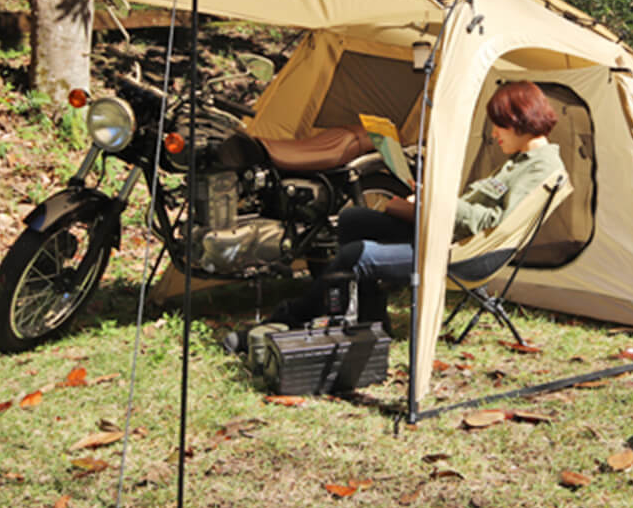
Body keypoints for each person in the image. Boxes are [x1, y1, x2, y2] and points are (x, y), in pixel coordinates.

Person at [224, 81, 566, 347]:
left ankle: (288, 318)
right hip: (450, 235)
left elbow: (482, 222)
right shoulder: (523, 162)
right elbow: (479, 213)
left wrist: (435, 198)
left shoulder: (539, 168)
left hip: (463, 254)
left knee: (356, 254)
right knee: (354, 219)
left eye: (499, 126)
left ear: (519, 121)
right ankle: (372, 320)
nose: (494, 134)